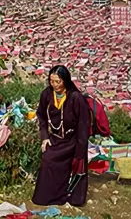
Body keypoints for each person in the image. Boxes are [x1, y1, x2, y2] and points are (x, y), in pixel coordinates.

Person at [32, 65, 90, 207]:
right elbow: (41, 116)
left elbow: (84, 124)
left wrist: (80, 150)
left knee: (76, 166)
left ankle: (71, 197)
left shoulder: (76, 98)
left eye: (58, 81)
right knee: (47, 159)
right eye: (52, 81)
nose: (55, 85)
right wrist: (44, 137)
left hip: (73, 140)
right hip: (55, 138)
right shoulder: (46, 94)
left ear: (65, 80)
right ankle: (47, 197)